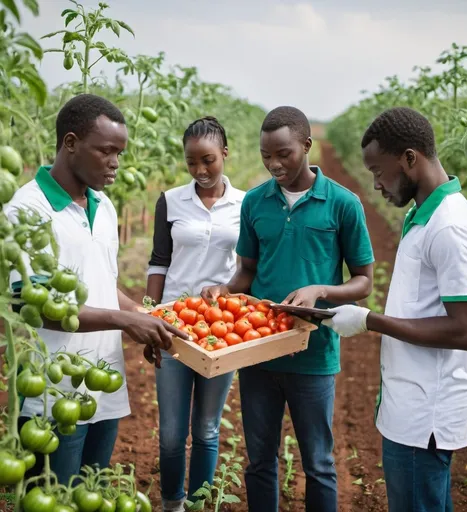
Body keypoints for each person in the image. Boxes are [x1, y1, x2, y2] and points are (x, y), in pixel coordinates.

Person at [5, 93, 187, 485]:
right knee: (55, 496)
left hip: (100, 387)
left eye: (119, 153)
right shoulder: (27, 210)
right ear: (70, 143)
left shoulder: (102, 206)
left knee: (90, 489)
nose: (115, 163)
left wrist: (143, 316)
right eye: (106, 151)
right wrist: (122, 322)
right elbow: (31, 306)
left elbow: (104, 285)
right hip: (51, 394)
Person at [201, 106, 375, 512]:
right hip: (257, 348)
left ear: (307, 146)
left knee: (319, 463)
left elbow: (364, 281)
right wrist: (223, 290)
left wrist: (320, 290)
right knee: (259, 460)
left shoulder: (342, 204)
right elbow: (247, 270)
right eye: (266, 155)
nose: (274, 164)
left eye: (284, 154)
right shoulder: (256, 202)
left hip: (313, 356)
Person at [322, 107, 467, 512]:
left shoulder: (449, 227)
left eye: (379, 171)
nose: (375, 184)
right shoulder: (423, 215)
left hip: (424, 416)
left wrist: (369, 320)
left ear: (410, 159)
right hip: (408, 408)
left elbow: (466, 330)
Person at [144, 117, 245, 512]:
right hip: (172, 325)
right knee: (170, 433)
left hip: (222, 328)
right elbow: (158, 262)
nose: (201, 171)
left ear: (225, 154)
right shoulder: (170, 200)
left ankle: (200, 504)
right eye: (192, 163)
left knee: (205, 428)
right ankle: (172, 503)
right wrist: (149, 319)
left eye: (208, 161)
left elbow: (247, 266)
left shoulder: (246, 203)